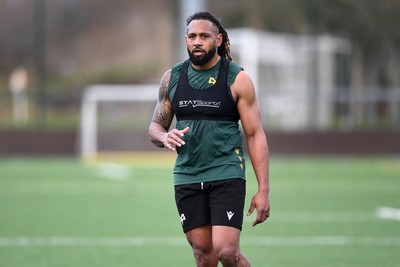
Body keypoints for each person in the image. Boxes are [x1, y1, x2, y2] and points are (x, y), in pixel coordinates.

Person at [149, 11, 270, 267]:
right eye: (192, 36)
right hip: (188, 174)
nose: (197, 41)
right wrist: (164, 135)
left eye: (204, 36)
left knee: (226, 251)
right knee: (203, 254)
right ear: (185, 40)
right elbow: (155, 126)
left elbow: (254, 134)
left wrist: (263, 190)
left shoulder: (237, 79)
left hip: (226, 172)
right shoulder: (172, 78)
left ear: (218, 40)